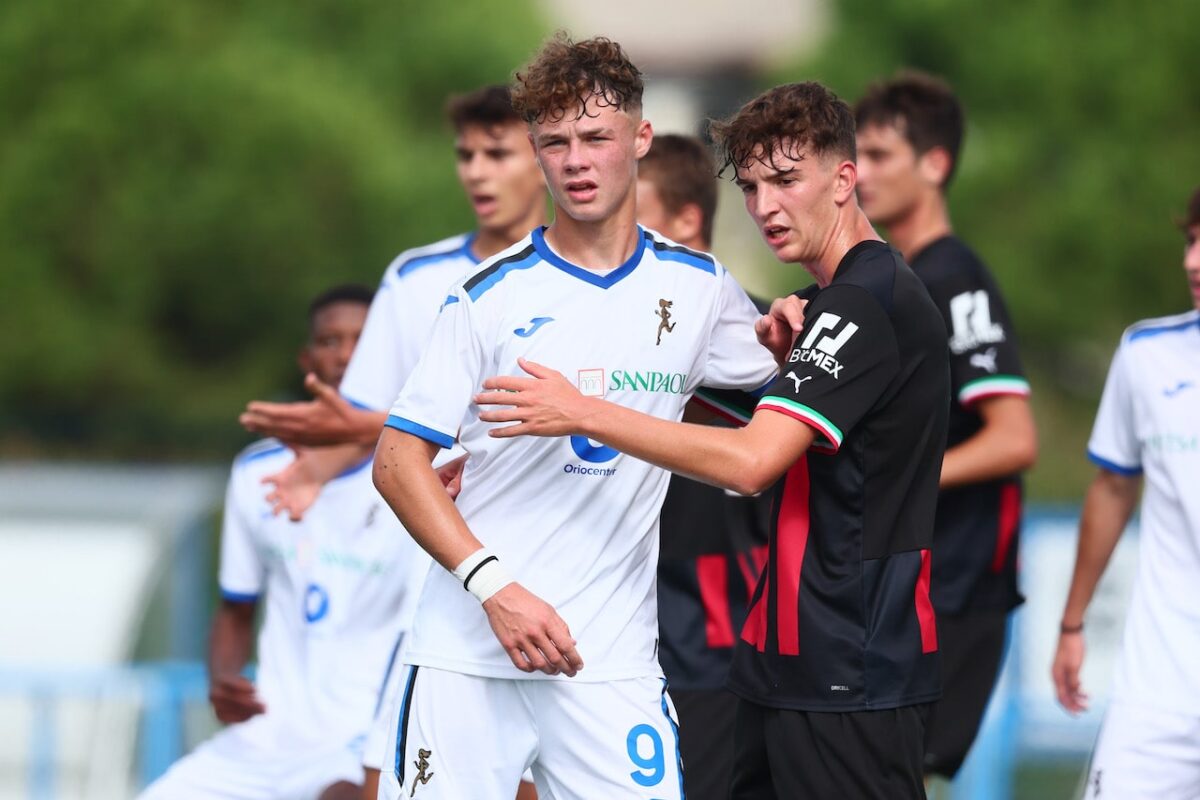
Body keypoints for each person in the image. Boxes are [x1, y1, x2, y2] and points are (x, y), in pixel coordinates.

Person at [475, 81, 950, 798]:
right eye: (752, 187)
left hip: (852, 664)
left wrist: (584, 413)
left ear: (844, 179)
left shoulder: (867, 300)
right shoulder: (824, 306)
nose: (765, 207)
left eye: (786, 180)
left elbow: (752, 463)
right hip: (782, 662)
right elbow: (702, 405)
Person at [371, 35, 778, 800]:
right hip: (469, 654)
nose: (577, 161)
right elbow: (395, 463)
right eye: (555, 143)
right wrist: (495, 588)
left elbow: (788, 395)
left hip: (610, 666)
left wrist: (800, 325)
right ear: (535, 154)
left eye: (596, 137)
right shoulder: (487, 295)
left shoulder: (700, 288)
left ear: (641, 138)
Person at [237, 86, 547, 799]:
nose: (476, 171)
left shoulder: (582, 279)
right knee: (392, 775)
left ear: (543, 159)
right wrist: (314, 468)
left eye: (496, 153)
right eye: (465, 155)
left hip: (554, 560)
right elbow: (371, 417)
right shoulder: (417, 277)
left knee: (533, 775)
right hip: (440, 570)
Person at [140, 286, 430, 800]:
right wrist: (223, 678)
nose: (346, 355)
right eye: (330, 341)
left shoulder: (418, 474)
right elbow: (236, 607)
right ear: (306, 359)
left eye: (363, 342)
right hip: (263, 740)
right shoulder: (258, 472)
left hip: (359, 741)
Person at [853, 71, 1038, 779]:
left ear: (935, 163)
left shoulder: (954, 277)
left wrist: (903, 482)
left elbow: (1013, 437)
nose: (861, 173)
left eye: (879, 155)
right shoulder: (890, 279)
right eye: (855, 155)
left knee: (897, 774)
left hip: (956, 584)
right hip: (905, 580)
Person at [1051, 186, 1200, 799]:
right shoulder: (1146, 354)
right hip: (1157, 693)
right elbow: (1113, 488)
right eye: (1191, 241)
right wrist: (1072, 623)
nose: (1192, 261)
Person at [638, 133, 773, 800]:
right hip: (626, 638)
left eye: (631, 218)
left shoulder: (766, 339)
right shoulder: (605, 331)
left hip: (723, 642)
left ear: (687, 220)